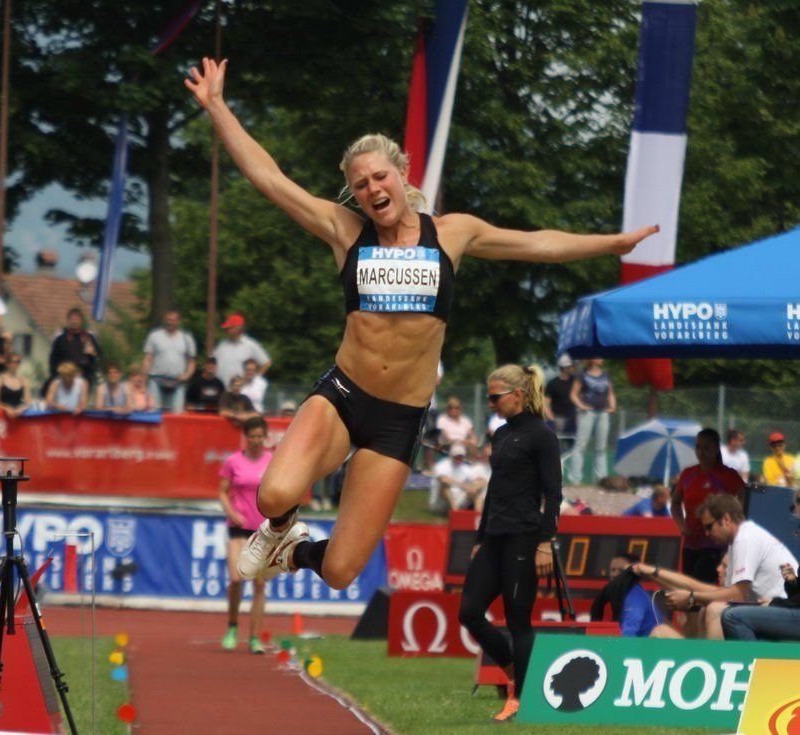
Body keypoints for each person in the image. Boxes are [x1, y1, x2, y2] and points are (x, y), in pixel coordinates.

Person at [184, 59, 654, 630]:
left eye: (379, 177)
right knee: (273, 493)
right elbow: (270, 179)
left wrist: (611, 244)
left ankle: (293, 552)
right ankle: (280, 528)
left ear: (401, 174)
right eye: (360, 185)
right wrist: (217, 106)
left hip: (399, 419)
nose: (371, 189)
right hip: (342, 395)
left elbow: (538, 244)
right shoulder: (346, 232)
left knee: (340, 569)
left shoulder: (451, 234)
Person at [457, 365, 562, 721]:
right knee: (469, 612)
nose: (491, 404)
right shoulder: (501, 434)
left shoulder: (543, 436)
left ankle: (522, 701)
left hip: (524, 537)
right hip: (495, 536)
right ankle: (514, 674)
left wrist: (545, 542)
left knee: (519, 621)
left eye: (495, 398)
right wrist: (480, 537)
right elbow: (494, 489)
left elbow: (554, 494)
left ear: (517, 395)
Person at [631, 494, 797, 639]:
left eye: (709, 526)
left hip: (785, 608)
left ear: (726, 519)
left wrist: (691, 598)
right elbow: (720, 592)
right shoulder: (738, 541)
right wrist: (658, 575)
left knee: (714, 610)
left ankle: (716, 661)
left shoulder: (746, 537)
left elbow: (735, 595)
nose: (707, 533)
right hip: (775, 607)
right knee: (707, 609)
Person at [218, 417, 273, 654]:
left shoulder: (272, 461)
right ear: (246, 437)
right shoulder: (233, 461)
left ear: (265, 437)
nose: (257, 440)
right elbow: (222, 492)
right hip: (238, 528)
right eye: (252, 436)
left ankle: (254, 638)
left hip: (262, 531)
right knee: (236, 578)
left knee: (259, 584)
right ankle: (232, 627)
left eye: (260, 436)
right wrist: (231, 512)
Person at [721, 491, 800, 641]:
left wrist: (775, 603)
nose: (796, 508)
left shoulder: (746, 537)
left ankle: (750, 657)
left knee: (733, 617)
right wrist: (793, 582)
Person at [672, 428, 745, 585]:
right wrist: (682, 526)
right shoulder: (688, 474)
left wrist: (731, 525)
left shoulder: (728, 475)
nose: (701, 452)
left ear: (716, 449)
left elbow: (744, 500)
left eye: (706, 448)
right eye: (698, 447)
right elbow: (675, 503)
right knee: (687, 588)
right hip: (691, 543)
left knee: (698, 587)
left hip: (715, 544)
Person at [589, 553, 666, 638]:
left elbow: (628, 636)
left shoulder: (635, 597)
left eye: (621, 571)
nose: (615, 574)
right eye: (612, 570)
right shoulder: (617, 593)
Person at [566, 358, 616, 485]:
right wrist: (581, 406)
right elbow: (573, 394)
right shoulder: (582, 375)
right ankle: (575, 479)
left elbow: (610, 393)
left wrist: (612, 406)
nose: (602, 359)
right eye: (599, 357)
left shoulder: (606, 374)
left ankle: (601, 480)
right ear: (592, 359)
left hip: (603, 412)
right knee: (580, 446)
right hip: (587, 413)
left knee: (601, 447)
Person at [142, 309, 197, 412]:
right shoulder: (155, 336)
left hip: (177, 381)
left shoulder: (186, 338)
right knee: (152, 412)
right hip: (156, 380)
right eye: (168, 319)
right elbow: (147, 359)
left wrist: (186, 376)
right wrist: (144, 380)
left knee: (177, 413)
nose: (170, 322)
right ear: (165, 320)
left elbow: (192, 363)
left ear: (178, 321)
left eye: (173, 320)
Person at [212, 313, 272, 389]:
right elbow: (212, 364)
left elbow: (266, 363)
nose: (226, 330)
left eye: (229, 328)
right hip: (221, 390)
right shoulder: (221, 345)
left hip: (241, 390)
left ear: (238, 328)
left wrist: (254, 380)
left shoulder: (250, 345)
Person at [49, 307, 101, 389]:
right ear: (68, 320)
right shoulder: (61, 339)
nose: (74, 321)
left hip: (84, 377)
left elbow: (99, 355)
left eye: (77, 319)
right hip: (65, 377)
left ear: (81, 321)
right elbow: (53, 360)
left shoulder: (88, 337)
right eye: (72, 319)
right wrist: (57, 376)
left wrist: (93, 352)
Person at [429, 443, 487, 514]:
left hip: (459, 498)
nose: (459, 458)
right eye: (457, 456)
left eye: (461, 456)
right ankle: (455, 512)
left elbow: (482, 481)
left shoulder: (465, 468)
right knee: (445, 487)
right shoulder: (441, 465)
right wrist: (463, 486)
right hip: (441, 502)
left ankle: (478, 515)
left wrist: (473, 487)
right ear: (451, 455)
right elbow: (443, 479)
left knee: (476, 491)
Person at [543, 353, 576, 440]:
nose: (573, 368)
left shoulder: (576, 382)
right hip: (558, 418)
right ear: (565, 368)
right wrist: (551, 419)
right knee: (557, 442)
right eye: (571, 366)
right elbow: (546, 403)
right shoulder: (552, 384)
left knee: (572, 442)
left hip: (573, 418)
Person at [0, 353, 31, 419]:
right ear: (7, 364)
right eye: (14, 362)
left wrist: (21, 409)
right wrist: (6, 408)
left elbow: (28, 402)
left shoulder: (24, 380)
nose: (17, 364)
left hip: (18, 415)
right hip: (2, 415)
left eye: (18, 362)